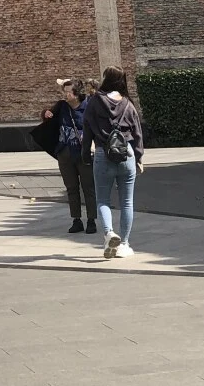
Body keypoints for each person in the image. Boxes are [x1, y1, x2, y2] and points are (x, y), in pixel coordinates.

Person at [82, 67, 144, 259]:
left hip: (103, 154)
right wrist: (140, 157)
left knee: (102, 200)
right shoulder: (127, 103)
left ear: (105, 79)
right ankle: (124, 244)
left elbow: (87, 130)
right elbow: (138, 132)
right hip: (127, 155)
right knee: (127, 202)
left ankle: (109, 234)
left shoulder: (94, 102)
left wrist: (85, 155)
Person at [38, 79, 96, 234]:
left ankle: (91, 220)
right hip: (65, 153)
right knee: (71, 188)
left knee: (88, 187)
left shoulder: (88, 106)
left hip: (84, 153)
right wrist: (46, 113)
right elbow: (47, 116)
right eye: (65, 91)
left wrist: (88, 137)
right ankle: (76, 220)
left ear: (77, 94)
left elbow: (96, 124)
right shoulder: (61, 106)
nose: (66, 94)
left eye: (69, 91)